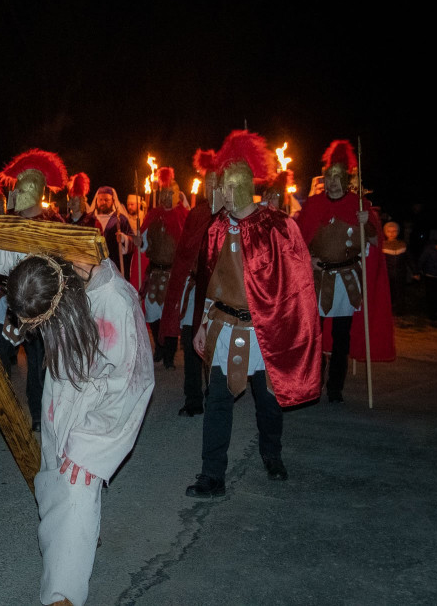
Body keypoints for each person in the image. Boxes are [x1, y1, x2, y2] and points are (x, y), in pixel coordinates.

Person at [0, 201, 154, 606]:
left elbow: (133, 382)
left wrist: (90, 446)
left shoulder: (115, 301)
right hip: (57, 398)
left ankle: (61, 595)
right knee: (52, 483)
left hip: (94, 417)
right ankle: (78, 532)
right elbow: (9, 252)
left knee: (74, 489)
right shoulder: (48, 265)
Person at [186, 130, 321, 499]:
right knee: (217, 399)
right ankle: (212, 475)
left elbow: (296, 282)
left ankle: (272, 454)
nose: (220, 194)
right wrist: (202, 323)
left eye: (227, 188)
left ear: (241, 188)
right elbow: (210, 282)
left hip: (264, 330)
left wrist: (290, 328)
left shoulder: (276, 227)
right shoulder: (216, 228)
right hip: (224, 326)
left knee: (268, 400)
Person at [0, 148, 68, 433]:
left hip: (42, 304)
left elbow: (63, 268)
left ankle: (39, 414)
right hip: (8, 303)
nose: (14, 193)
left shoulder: (55, 225)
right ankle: (1, 411)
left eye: (19, 188)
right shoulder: (9, 223)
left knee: (39, 362)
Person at [295, 140, 386, 403]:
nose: (333, 182)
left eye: (338, 177)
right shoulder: (313, 205)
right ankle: (313, 384)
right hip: (318, 277)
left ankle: (335, 388)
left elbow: (372, 243)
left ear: (345, 180)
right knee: (314, 334)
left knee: (341, 335)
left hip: (346, 279)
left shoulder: (359, 206)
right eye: (329, 177)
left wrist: (367, 224)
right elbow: (298, 242)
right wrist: (308, 260)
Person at [159, 149, 222, 417]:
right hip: (195, 289)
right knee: (190, 342)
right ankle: (193, 399)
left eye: (214, 183)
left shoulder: (232, 215)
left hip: (221, 293)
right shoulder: (196, 214)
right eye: (206, 183)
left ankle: (217, 395)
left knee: (216, 347)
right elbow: (184, 252)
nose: (209, 188)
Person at [137, 166, 189, 370]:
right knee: (152, 312)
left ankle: (169, 353)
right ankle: (158, 348)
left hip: (173, 274)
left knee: (171, 315)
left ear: (178, 195)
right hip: (155, 272)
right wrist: (138, 239)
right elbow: (144, 244)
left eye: (171, 193)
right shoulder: (153, 215)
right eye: (164, 193)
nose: (167, 197)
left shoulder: (184, 217)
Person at [91, 186, 136, 279]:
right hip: (93, 267)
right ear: (96, 200)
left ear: (112, 201)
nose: (103, 202)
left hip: (115, 267)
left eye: (107, 200)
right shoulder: (90, 219)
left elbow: (133, 240)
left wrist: (124, 239)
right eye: (100, 199)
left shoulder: (120, 219)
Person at [382, 221, 412, 315]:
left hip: (400, 274)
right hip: (387, 274)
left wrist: (415, 272)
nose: (392, 233)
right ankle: (387, 310)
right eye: (389, 231)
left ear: (398, 232)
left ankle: (399, 311)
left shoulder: (402, 245)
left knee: (400, 292)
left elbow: (409, 259)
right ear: (385, 232)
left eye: (394, 231)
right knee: (388, 293)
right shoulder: (383, 245)